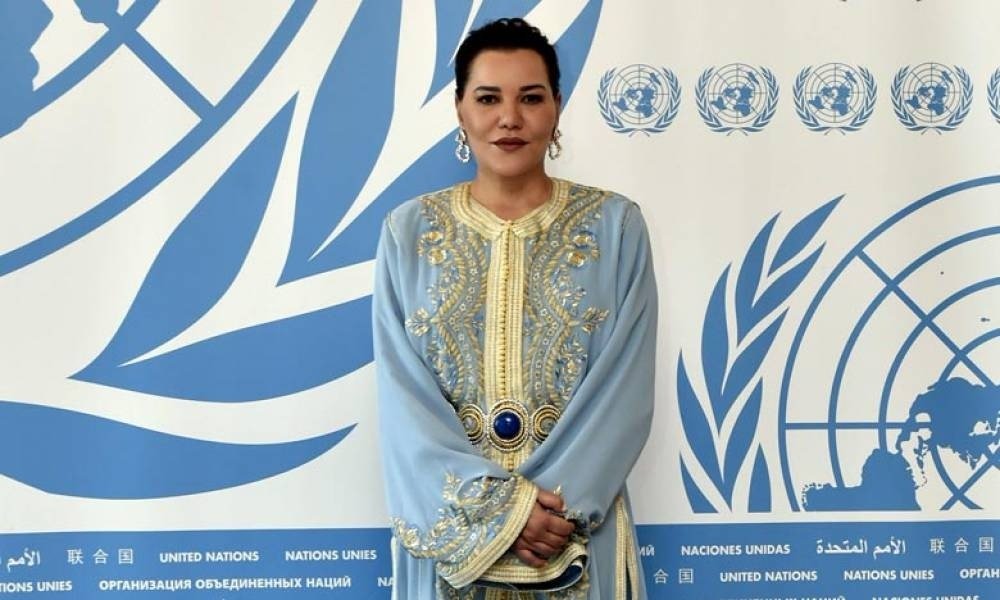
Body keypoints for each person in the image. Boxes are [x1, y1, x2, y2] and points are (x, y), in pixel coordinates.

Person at [373, 17, 657, 599]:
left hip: (571, 536)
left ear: (556, 107)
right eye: (488, 98)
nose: (509, 118)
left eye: (530, 97)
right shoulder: (409, 233)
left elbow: (624, 394)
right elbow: (405, 405)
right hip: (453, 542)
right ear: (459, 109)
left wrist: (546, 512)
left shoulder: (616, 228)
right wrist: (499, 512)